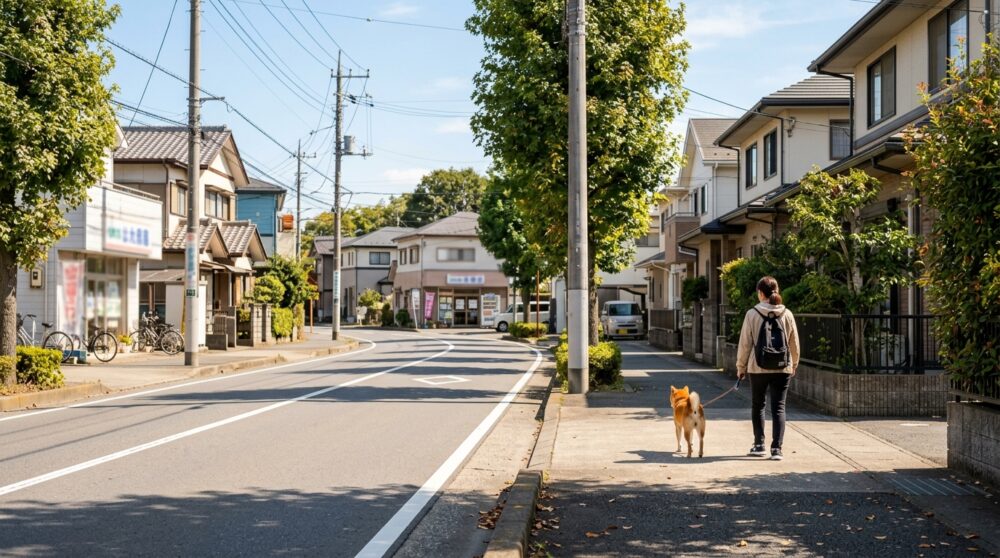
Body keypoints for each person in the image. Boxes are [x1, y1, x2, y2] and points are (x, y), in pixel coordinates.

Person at [736, 276, 800, 461]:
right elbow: (794, 343)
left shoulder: (752, 314)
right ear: (776, 291)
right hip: (782, 368)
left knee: (758, 405)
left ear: (760, 293)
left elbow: (745, 343)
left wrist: (741, 367)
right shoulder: (787, 314)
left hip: (758, 367)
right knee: (779, 407)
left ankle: (759, 445)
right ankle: (777, 449)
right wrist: (793, 363)